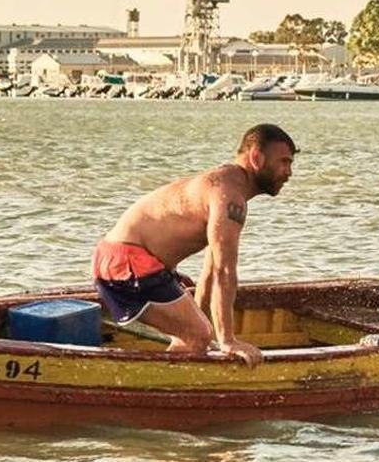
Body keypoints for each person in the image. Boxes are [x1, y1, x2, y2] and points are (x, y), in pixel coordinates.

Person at [92, 123, 298, 367]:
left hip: (128, 261)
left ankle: (166, 384)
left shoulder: (228, 188)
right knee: (198, 335)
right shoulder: (229, 197)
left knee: (196, 334)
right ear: (256, 157)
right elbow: (225, 272)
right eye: (284, 162)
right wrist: (228, 340)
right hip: (127, 263)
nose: (288, 172)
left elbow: (211, 271)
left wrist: (202, 321)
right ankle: (159, 391)